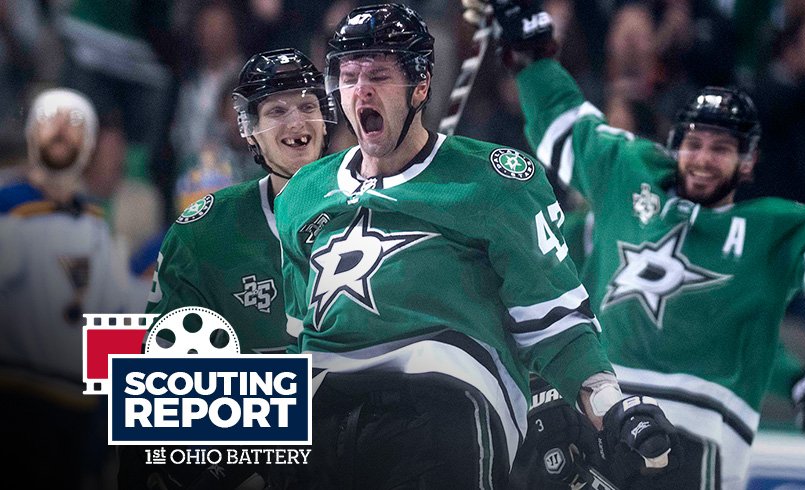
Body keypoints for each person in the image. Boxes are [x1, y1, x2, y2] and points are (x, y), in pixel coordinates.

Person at [463, 0, 805, 487]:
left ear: (749, 162)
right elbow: (564, 122)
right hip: (605, 411)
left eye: (722, 149)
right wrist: (530, 52)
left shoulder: (775, 231)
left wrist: (799, 379)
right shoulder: (625, 178)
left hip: (702, 434)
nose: (703, 159)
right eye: (694, 144)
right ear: (674, 146)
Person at [273, 4, 675, 489]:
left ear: (421, 87)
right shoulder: (301, 194)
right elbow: (296, 339)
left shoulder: (496, 181)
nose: (362, 89)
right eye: (350, 76)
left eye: (379, 74)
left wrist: (614, 408)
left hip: (442, 395)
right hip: (325, 402)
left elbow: (556, 326)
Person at [119, 48, 336, 489]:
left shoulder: (373, 211)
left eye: (308, 106)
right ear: (249, 130)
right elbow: (157, 390)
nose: (296, 123)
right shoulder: (205, 232)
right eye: (277, 110)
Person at [0, 88, 136, 488]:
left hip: (76, 405)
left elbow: (116, 315)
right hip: (13, 397)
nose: (61, 128)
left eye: (73, 122)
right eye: (50, 118)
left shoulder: (93, 222)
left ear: (90, 144)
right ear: (29, 135)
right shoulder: (7, 208)